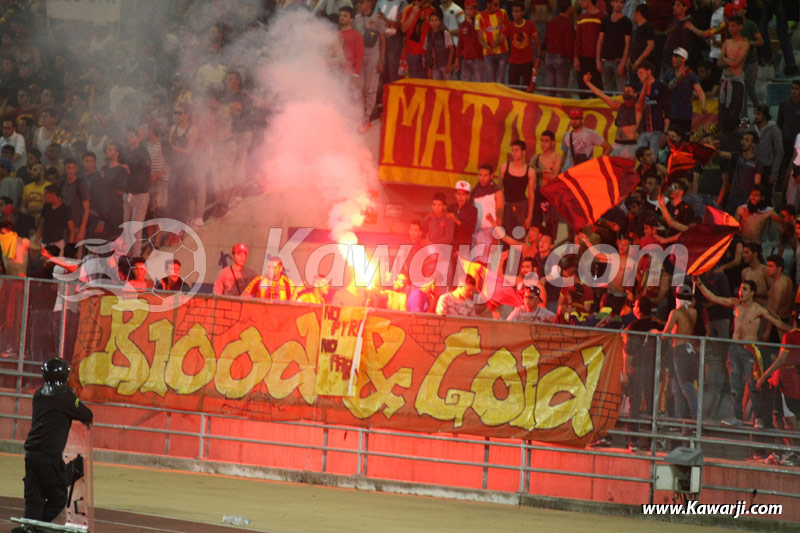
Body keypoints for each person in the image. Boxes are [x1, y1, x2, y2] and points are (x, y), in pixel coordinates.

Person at [695, 278, 791, 427]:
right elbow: (714, 298)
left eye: (745, 289)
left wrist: (795, 332)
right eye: (740, 289)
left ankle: (758, 418)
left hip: (750, 350)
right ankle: (737, 417)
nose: (741, 292)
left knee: (753, 385)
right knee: (735, 386)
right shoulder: (735, 304)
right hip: (734, 348)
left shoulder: (759, 309)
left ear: (752, 293)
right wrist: (700, 284)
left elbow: (777, 322)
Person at [18, 358, 92, 528]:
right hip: (49, 457)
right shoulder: (65, 398)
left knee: (34, 499)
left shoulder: (38, 395)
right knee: (58, 497)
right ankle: (38, 526)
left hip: (32, 456)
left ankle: (31, 527)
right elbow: (87, 414)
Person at [624, 296, 661, 451]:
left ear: (638, 309)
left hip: (638, 369)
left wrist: (625, 372)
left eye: (635, 305)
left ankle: (634, 440)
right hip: (653, 369)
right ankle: (652, 441)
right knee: (652, 406)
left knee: (635, 406)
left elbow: (629, 352)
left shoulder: (634, 327)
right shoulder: (655, 325)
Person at [583, 74, 641, 160]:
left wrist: (646, 83)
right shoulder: (619, 106)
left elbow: (642, 99)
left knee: (626, 172)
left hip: (629, 146)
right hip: (617, 144)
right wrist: (588, 83)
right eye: (625, 92)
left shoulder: (637, 108)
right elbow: (602, 95)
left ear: (635, 94)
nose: (626, 94)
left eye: (629, 92)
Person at [663, 284, 699, 421]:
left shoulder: (675, 312)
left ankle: (695, 418)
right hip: (689, 348)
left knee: (686, 386)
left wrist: (657, 332)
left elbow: (665, 333)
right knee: (677, 388)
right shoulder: (693, 311)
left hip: (680, 349)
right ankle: (679, 418)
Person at [354, 0, 386, 129]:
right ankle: (358, 116)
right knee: (359, 87)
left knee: (371, 88)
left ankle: (367, 117)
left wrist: (381, 60)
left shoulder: (377, 18)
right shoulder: (356, 18)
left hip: (373, 55)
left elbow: (383, 40)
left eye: (362, 2)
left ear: (369, 3)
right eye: (358, 3)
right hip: (360, 55)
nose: (360, 5)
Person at [663, 47, 706, 137]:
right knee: (670, 140)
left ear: (683, 59)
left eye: (676, 57)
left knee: (684, 140)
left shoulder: (691, 75)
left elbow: (700, 92)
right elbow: (663, 90)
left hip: (685, 114)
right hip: (670, 114)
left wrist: (703, 106)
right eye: (673, 57)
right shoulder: (669, 73)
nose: (673, 59)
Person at [717, 15, 749, 132]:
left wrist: (726, 59)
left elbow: (736, 62)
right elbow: (719, 62)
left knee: (735, 113)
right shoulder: (727, 42)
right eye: (729, 26)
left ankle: (733, 137)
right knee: (722, 113)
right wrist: (729, 60)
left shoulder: (744, 43)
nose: (730, 28)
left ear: (740, 27)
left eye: (733, 26)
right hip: (725, 80)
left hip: (736, 81)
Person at [530, 130, 563, 238]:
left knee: (551, 224)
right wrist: (544, 171)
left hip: (551, 194)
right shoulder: (536, 157)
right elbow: (529, 172)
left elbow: (554, 176)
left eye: (546, 141)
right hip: (539, 192)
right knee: (535, 223)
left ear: (553, 143)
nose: (543, 144)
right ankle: (534, 250)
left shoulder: (557, 157)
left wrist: (538, 171)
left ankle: (550, 247)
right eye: (542, 141)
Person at [499, 140, 535, 235]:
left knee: (519, 237)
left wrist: (529, 216)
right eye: (512, 150)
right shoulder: (504, 167)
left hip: (521, 207)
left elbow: (531, 195)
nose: (514, 153)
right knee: (504, 237)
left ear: (523, 152)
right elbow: (498, 191)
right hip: (506, 207)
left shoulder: (530, 171)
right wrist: (498, 211)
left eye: (517, 150)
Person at [596, 0, 631, 93]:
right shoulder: (605, 20)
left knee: (620, 92)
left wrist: (623, 62)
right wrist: (597, 60)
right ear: (612, 3)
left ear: (623, 5)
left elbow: (627, 44)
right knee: (608, 92)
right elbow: (600, 40)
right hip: (605, 61)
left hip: (618, 61)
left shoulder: (626, 22)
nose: (618, 5)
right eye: (616, 2)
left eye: (621, 2)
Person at [471, 163, 504, 263]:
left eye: (485, 175)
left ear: (491, 176)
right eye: (480, 175)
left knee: (487, 264)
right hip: (476, 232)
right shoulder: (474, 191)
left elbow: (500, 215)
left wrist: (495, 237)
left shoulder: (497, 192)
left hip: (490, 232)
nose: (482, 178)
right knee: (475, 264)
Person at [502, 1, 540, 88]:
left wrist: (538, 57)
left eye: (517, 11)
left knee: (527, 88)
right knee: (513, 89)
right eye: (513, 11)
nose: (515, 14)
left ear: (523, 12)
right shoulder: (509, 26)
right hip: (514, 62)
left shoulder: (530, 25)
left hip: (527, 61)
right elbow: (500, 39)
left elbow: (537, 42)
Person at [636, 61, 669, 154]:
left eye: (641, 72)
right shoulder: (639, 87)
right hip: (643, 131)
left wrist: (665, 132)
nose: (639, 75)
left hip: (657, 130)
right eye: (638, 73)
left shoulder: (661, 86)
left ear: (649, 72)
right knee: (640, 156)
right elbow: (638, 109)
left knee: (653, 158)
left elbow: (667, 110)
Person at [544, 0, 574, 98]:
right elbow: (568, 43)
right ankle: (563, 110)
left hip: (549, 56)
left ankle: (549, 109)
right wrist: (572, 58)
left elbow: (546, 40)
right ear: (569, 8)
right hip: (561, 57)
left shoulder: (551, 22)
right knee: (562, 89)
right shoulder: (568, 23)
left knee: (550, 89)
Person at [475, 0, 509, 84]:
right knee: (491, 81)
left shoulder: (503, 12)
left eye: (499, 4)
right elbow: (479, 38)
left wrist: (499, 40)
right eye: (495, 4)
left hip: (502, 52)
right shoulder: (478, 17)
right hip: (488, 54)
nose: (498, 7)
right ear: (488, 4)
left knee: (500, 81)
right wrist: (487, 47)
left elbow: (507, 29)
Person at [573, 0, 602, 98]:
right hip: (583, 59)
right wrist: (576, 57)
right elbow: (578, 39)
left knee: (597, 88)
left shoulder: (602, 17)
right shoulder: (581, 18)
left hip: (596, 59)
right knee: (582, 88)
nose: (580, 2)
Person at [455, 0, 484, 82]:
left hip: (478, 59)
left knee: (479, 86)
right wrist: (457, 59)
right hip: (465, 59)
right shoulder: (463, 24)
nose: (468, 12)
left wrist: (471, 24)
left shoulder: (481, 21)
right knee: (466, 85)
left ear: (475, 10)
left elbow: (478, 38)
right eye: (466, 9)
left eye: (470, 9)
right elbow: (460, 43)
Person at [424, 8, 454, 80]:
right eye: (431, 20)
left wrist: (449, 64)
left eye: (436, 20)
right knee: (437, 87)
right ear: (429, 21)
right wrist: (429, 68)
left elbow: (452, 50)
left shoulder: (444, 33)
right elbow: (427, 52)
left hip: (445, 64)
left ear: (440, 21)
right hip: (434, 65)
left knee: (448, 86)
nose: (433, 23)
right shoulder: (428, 35)